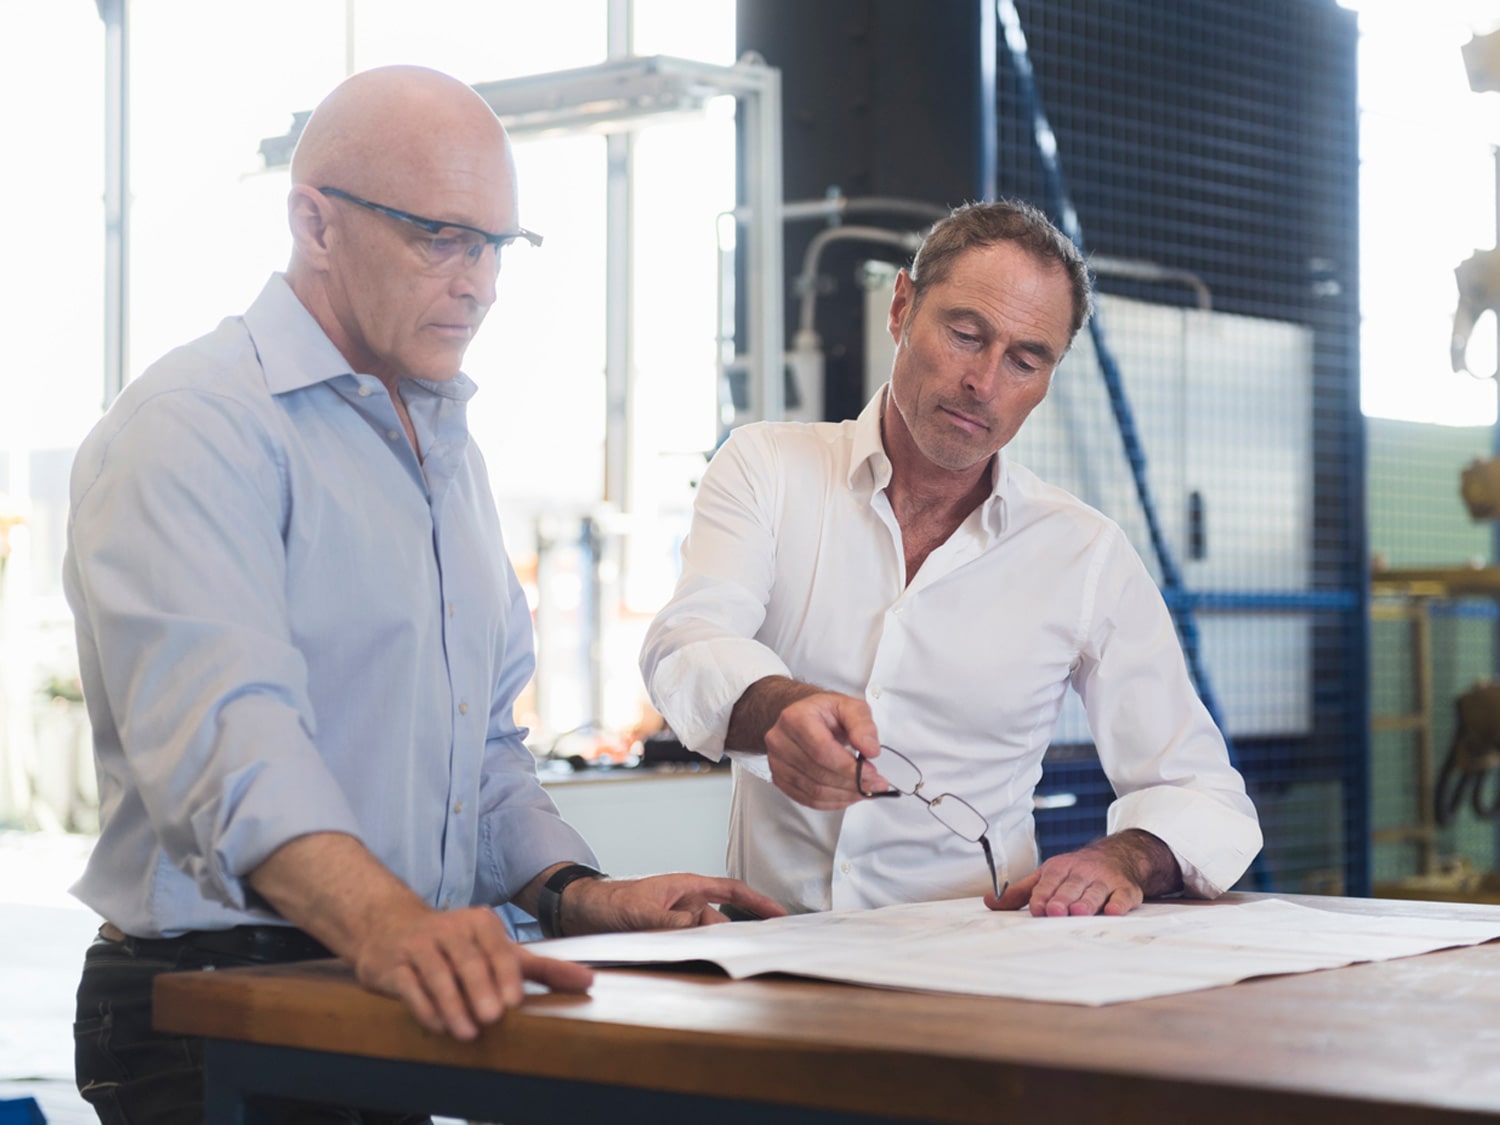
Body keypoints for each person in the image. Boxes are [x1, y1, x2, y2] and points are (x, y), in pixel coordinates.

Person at [65, 65, 781, 1124]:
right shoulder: (195, 426)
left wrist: (575, 894)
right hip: (218, 1001)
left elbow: (480, 755)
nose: (480, 282)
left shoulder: (443, 448)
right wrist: (395, 924)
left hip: (386, 981)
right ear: (315, 223)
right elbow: (229, 745)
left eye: (499, 244)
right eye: (440, 238)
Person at [640, 199, 1262, 920]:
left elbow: (1202, 791)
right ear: (902, 307)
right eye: (966, 335)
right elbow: (687, 645)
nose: (986, 383)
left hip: (980, 967)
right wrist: (777, 709)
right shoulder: (767, 470)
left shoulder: (1084, 553)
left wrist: (1120, 857)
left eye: (1026, 360)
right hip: (773, 956)